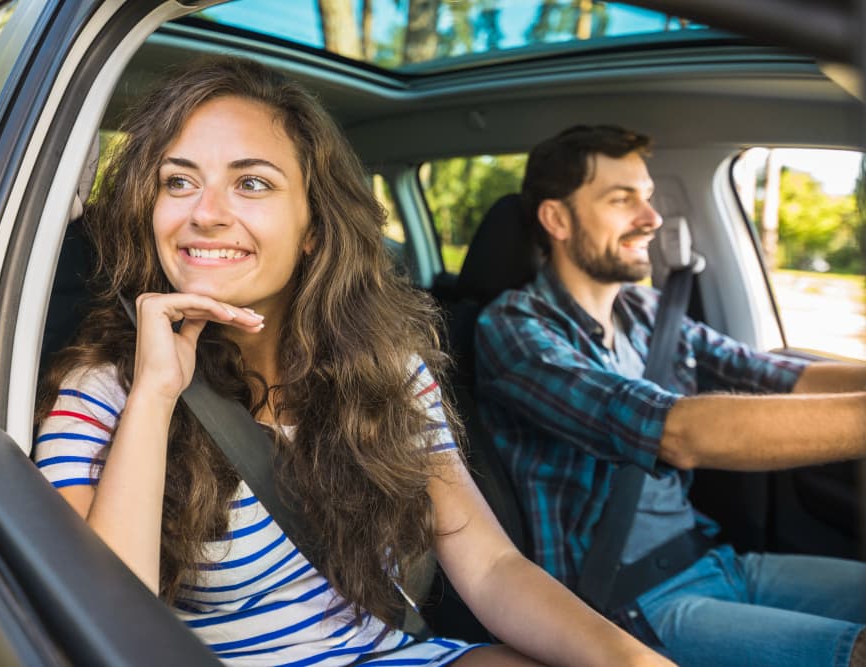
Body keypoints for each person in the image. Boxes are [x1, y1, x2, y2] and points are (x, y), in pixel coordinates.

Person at [34, 60, 670, 667]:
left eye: (251, 182)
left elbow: (490, 566)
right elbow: (106, 625)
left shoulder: (386, 368)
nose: (205, 212)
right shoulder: (103, 392)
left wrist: (628, 657)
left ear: (315, 228)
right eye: (178, 180)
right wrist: (156, 392)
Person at [473, 124, 866, 667]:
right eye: (622, 199)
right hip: (627, 605)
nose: (651, 218)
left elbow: (772, 374)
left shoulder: (648, 313)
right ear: (557, 219)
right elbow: (674, 430)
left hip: (715, 562)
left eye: (649, 197)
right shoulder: (514, 329)